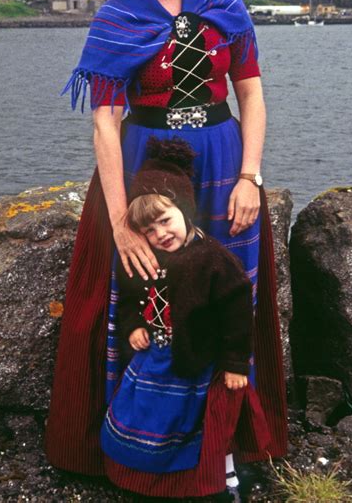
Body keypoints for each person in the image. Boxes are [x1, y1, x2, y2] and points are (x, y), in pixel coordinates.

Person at [45, 0, 287, 499]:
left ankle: (229, 445)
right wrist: (121, 216)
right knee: (148, 295)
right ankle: (141, 452)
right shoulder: (117, 15)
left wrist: (250, 178)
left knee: (230, 290)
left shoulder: (226, 4)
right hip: (143, 162)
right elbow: (104, 118)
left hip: (221, 159)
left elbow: (251, 93)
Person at [100, 136, 269, 495]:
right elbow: (133, 297)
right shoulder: (147, 258)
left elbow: (236, 314)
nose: (160, 234)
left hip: (198, 362)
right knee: (151, 417)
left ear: (185, 209)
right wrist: (133, 327)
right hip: (155, 361)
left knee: (205, 425)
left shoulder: (213, 260)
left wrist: (236, 363)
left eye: (164, 220)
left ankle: (220, 478)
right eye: (148, 230)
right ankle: (153, 481)